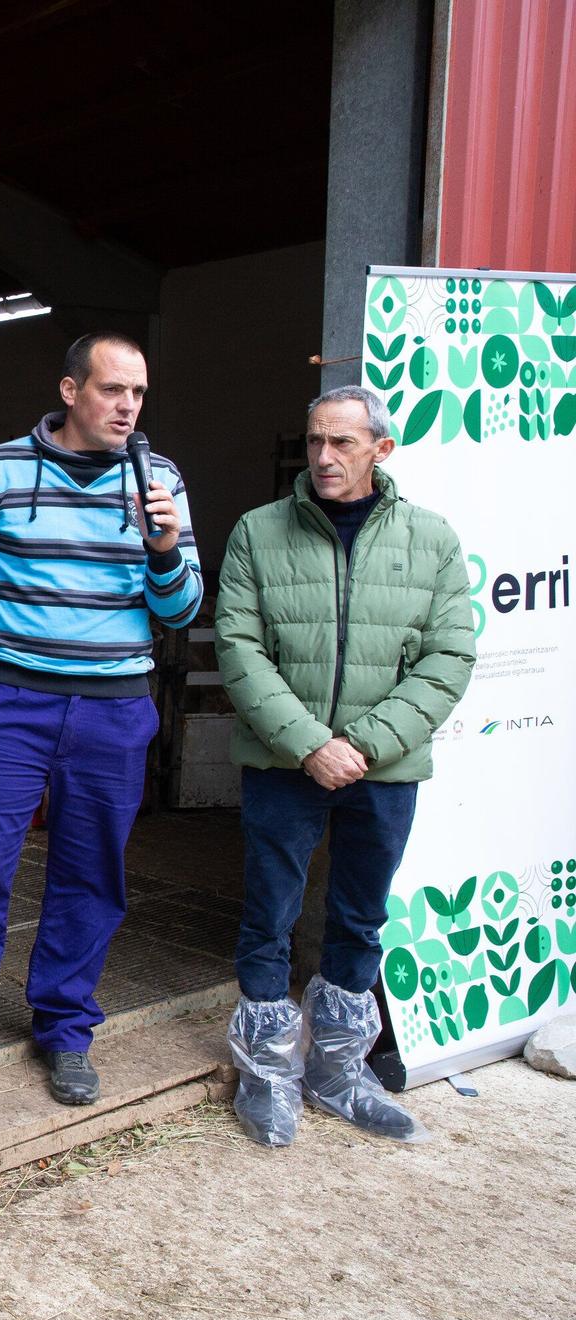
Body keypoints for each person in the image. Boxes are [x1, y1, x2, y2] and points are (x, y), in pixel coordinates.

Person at [0, 332, 202, 1120]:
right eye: (111, 389)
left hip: (112, 706)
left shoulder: (160, 480)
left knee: (91, 871)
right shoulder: (0, 469)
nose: (128, 405)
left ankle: (65, 1025)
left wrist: (164, 545)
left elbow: (181, 609)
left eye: (138, 392)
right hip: (9, 704)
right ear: (71, 391)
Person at [215, 384, 474, 1148]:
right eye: (315, 441)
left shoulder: (431, 539)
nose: (324, 457)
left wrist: (361, 744)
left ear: (381, 450)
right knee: (270, 916)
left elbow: (449, 655)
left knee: (360, 918)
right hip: (282, 760)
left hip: (383, 767)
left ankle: (337, 1072)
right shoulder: (259, 532)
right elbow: (238, 646)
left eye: (343, 443)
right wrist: (308, 743)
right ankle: (266, 1074)